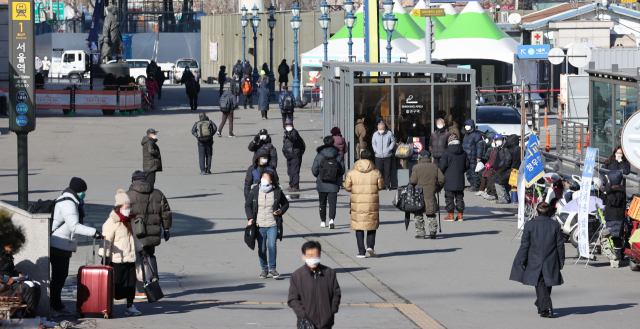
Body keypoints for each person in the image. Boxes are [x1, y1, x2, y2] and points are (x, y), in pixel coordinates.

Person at [50, 177, 102, 317]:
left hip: (61, 244)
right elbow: (74, 226)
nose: (84, 194)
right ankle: (53, 306)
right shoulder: (68, 203)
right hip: (59, 244)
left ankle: (57, 304)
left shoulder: (70, 201)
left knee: (60, 276)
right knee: (58, 277)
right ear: (78, 191)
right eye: (83, 191)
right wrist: (93, 232)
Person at [509, 202, 565, 318]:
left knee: (541, 284)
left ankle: (548, 308)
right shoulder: (555, 225)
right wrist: (561, 259)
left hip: (534, 260)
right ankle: (541, 305)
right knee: (547, 284)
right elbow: (560, 244)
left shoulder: (530, 225)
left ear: (536, 212)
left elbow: (525, 245)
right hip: (551, 259)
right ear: (549, 212)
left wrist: (522, 260)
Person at [99, 190, 147, 316]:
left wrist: (141, 249)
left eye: (129, 207)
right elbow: (106, 240)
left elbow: (134, 238)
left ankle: (130, 306)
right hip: (117, 259)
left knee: (131, 285)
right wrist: (104, 255)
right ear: (119, 207)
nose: (128, 209)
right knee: (115, 285)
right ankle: (108, 307)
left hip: (130, 258)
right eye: (126, 207)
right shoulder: (112, 221)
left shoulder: (130, 220)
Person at [126, 170, 172, 298]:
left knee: (138, 258)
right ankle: (154, 279)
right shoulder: (157, 193)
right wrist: (166, 229)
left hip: (136, 232)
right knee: (150, 255)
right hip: (153, 232)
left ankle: (141, 289)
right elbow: (166, 212)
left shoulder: (128, 195)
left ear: (133, 181)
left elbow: (121, 215)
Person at [245, 171, 289, 279]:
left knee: (272, 246)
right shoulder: (255, 190)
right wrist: (250, 218)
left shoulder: (277, 191)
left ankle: (272, 268)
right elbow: (248, 205)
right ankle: (264, 269)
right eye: (262, 177)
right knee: (262, 248)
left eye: (266, 177)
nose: (263, 179)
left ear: (271, 181)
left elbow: (286, 203)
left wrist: (280, 211)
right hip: (259, 225)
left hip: (272, 223)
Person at [288, 241, 341, 329]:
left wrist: (331, 311)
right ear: (303, 256)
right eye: (309, 255)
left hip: (326, 323)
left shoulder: (329, 273)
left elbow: (336, 293)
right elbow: (293, 299)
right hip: (306, 323)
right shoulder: (297, 276)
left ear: (319, 255)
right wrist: (303, 315)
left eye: (315, 255)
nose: (313, 258)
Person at [344, 150, 384, 258]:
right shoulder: (376, 172)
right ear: (371, 159)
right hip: (372, 203)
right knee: (372, 224)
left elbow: (347, 187)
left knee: (359, 226)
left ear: (360, 158)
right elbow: (381, 186)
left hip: (357, 204)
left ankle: (361, 251)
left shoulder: (352, 172)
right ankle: (370, 246)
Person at [410, 151, 445, 239]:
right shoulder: (435, 167)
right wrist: (438, 188)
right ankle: (433, 231)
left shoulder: (416, 167)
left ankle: (421, 233)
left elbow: (413, 181)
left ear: (420, 158)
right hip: (431, 192)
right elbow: (442, 179)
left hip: (419, 193)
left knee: (418, 214)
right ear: (430, 158)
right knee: (431, 213)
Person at [1, 242, 42, 318]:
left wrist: (17, 274)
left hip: (9, 284)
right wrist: (5, 279)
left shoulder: (7, 255)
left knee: (36, 285)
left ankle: (30, 316)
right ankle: (29, 320)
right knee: (27, 287)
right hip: (3, 286)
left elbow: (7, 270)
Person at [312, 136, 345, 229]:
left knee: (322, 203)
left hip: (322, 183)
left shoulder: (319, 155)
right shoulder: (337, 155)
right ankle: (331, 220)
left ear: (324, 143)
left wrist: (319, 176)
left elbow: (314, 169)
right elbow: (342, 170)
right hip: (333, 184)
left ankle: (323, 221)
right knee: (332, 203)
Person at [439, 135, 469, 221]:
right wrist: (460, 171)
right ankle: (460, 215)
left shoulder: (446, 152)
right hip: (460, 178)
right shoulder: (463, 152)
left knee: (449, 197)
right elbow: (467, 166)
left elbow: (442, 167)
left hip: (449, 178)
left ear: (449, 142)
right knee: (459, 197)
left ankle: (450, 215)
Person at [602, 170, 626, 267]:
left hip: (616, 217)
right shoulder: (612, 189)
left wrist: (609, 193)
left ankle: (619, 256)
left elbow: (614, 202)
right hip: (610, 216)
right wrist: (602, 192)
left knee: (616, 237)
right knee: (611, 237)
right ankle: (614, 255)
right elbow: (605, 201)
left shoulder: (620, 190)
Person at [495, 135, 521, 204]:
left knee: (498, 183)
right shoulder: (522, 149)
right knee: (509, 183)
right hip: (521, 170)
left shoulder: (510, 150)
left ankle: (502, 198)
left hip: (512, 170)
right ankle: (513, 198)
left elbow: (507, 163)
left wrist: (501, 170)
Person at [461, 119, 484, 192]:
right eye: (466, 125)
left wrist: (479, 156)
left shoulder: (477, 135)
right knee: (468, 172)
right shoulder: (466, 135)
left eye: (468, 125)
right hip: (467, 157)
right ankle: (472, 184)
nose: (467, 127)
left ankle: (476, 185)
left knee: (473, 172)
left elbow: (480, 147)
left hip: (473, 157)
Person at [283, 120, 305, 192]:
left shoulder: (294, 132)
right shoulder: (286, 132)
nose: (288, 126)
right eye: (287, 125)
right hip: (289, 155)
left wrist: (289, 136)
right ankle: (291, 185)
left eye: (290, 125)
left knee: (294, 171)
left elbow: (293, 139)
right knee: (290, 171)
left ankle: (295, 186)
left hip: (295, 155)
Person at [371, 121, 395, 190]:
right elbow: (373, 143)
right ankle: (379, 186)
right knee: (378, 172)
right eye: (379, 129)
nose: (380, 130)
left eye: (382, 129)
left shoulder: (389, 133)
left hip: (387, 155)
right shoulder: (375, 134)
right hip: (378, 156)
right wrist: (375, 150)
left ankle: (387, 186)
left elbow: (393, 141)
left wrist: (389, 149)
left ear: (384, 128)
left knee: (387, 172)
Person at [479, 135, 501, 201]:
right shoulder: (493, 149)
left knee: (490, 177)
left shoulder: (498, 149)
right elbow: (490, 158)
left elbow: (496, 159)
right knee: (482, 173)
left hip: (495, 167)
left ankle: (491, 193)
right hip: (491, 166)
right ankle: (483, 190)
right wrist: (487, 163)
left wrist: (490, 164)